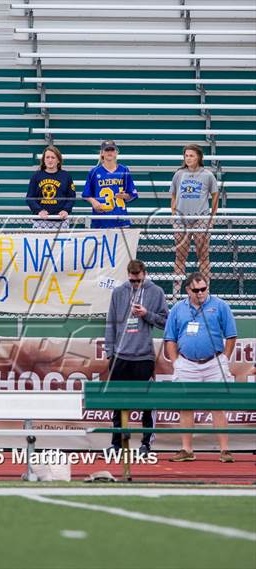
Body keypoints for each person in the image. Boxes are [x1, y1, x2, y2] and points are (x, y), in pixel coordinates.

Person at [164, 272, 237, 463]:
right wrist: (176, 362)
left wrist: (224, 359)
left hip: (214, 362)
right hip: (186, 362)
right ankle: (187, 449)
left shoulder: (220, 305)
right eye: (196, 290)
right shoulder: (178, 309)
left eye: (203, 289)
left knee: (217, 406)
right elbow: (170, 338)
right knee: (186, 407)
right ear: (188, 290)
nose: (200, 293)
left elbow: (231, 335)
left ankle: (224, 450)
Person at [105, 259, 169, 456]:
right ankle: (118, 443)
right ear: (128, 276)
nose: (135, 284)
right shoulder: (118, 292)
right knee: (118, 404)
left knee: (147, 404)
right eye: (132, 281)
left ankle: (146, 443)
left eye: (139, 280)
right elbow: (111, 323)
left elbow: (165, 321)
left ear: (145, 275)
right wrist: (110, 352)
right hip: (120, 356)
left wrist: (147, 314)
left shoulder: (156, 292)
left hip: (143, 356)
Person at [170, 144, 219, 298]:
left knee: (203, 255)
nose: (188, 158)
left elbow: (215, 195)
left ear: (198, 157)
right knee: (180, 256)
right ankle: (176, 291)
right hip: (182, 219)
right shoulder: (179, 174)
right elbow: (173, 195)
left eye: (191, 155)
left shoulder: (207, 175)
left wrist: (212, 217)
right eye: (186, 155)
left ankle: (205, 290)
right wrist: (174, 214)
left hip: (201, 219)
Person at [82, 140, 138, 228]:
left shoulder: (124, 170)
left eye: (112, 150)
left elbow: (132, 194)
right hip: (100, 220)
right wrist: (93, 202)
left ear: (116, 152)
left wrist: (125, 196)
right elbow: (86, 194)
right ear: (102, 153)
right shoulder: (94, 172)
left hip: (120, 218)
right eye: (107, 150)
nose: (109, 152)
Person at [26, 145, 76, 230]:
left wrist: (66, 210)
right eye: (47, 157)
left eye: (53, 157)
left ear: (58, 160)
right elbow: (30, 198)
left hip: (60, 221)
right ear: (43, 160)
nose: (50, 160)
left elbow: (71, 197)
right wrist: (39, 211)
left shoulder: (66, 176)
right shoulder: (36, 176)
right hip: (40, 221)